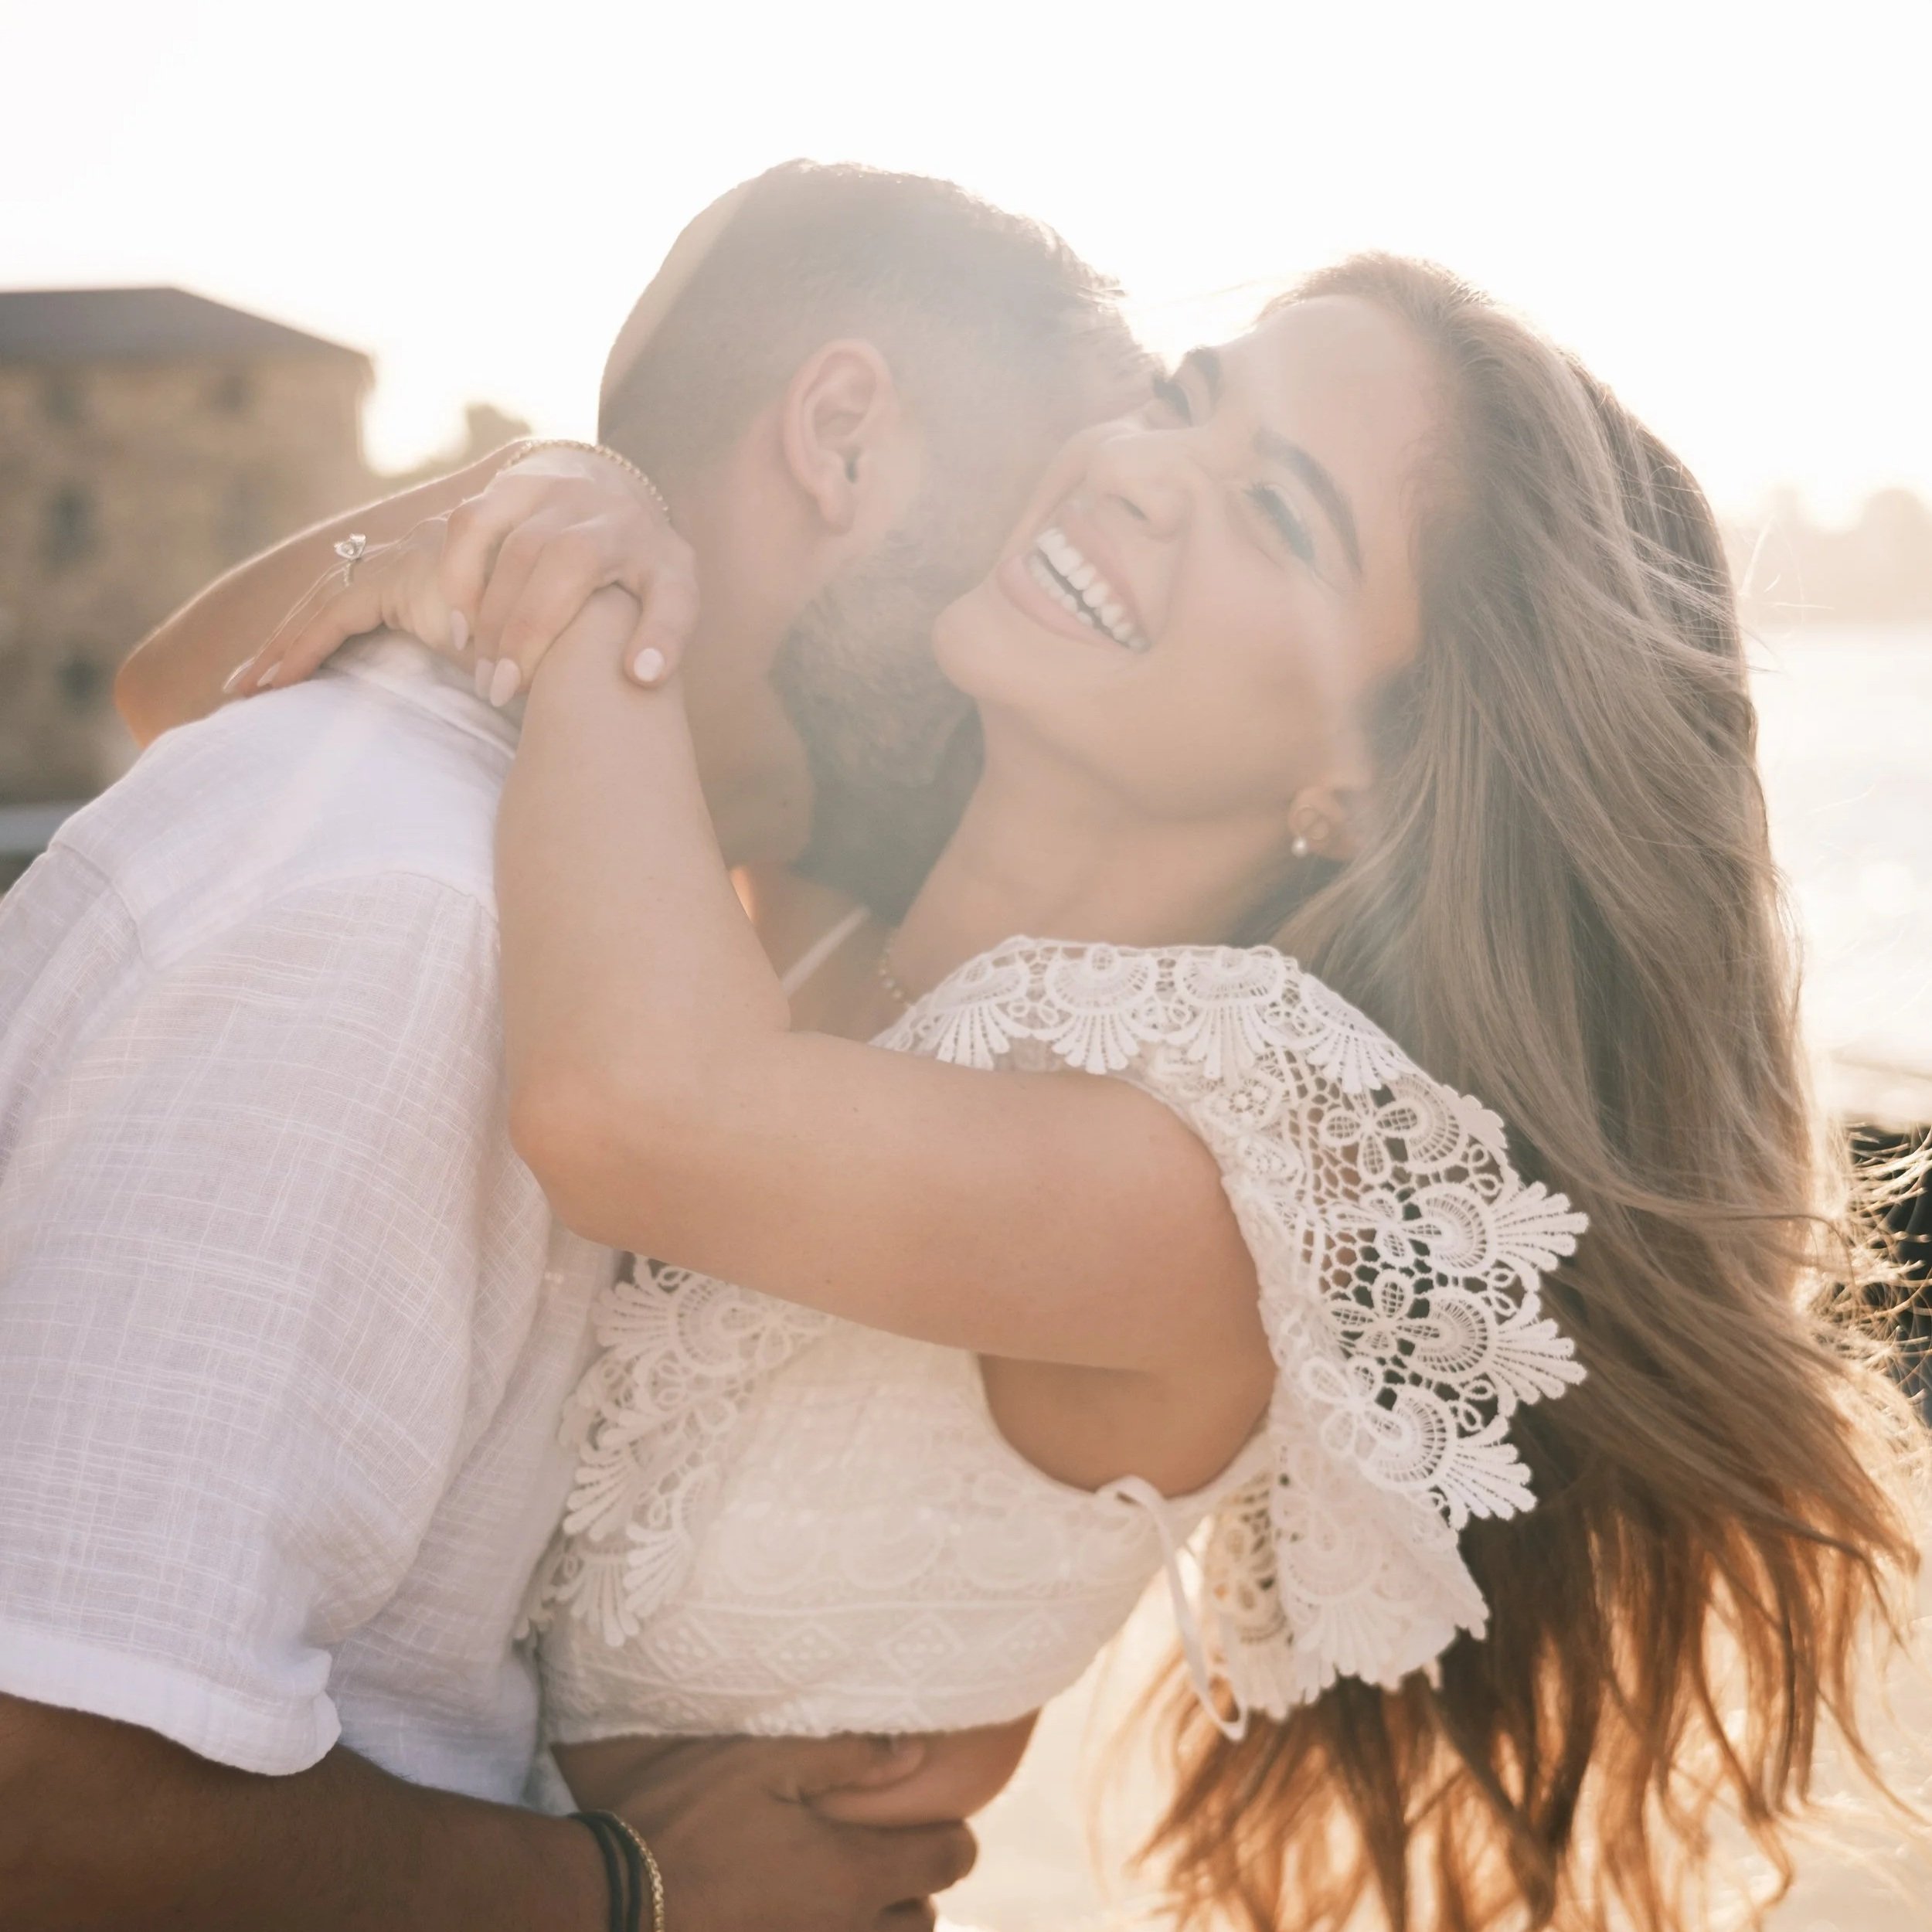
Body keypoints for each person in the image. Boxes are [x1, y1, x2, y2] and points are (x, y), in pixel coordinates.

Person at [208, 255, 1923, 1932]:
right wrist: (518, 500)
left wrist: (582, 592)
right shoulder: (798, 903)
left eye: (1277, 516)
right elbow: (199, 719)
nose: (1147, 474)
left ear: (1364, 768)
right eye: (1185, 404)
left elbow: (623, 1111)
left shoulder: (1218, 1175)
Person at [0, 163, 1143, 1931]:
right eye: (1053, 518)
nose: (1080, 614)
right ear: (841, 436)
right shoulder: (409, 912)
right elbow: (43, 1796)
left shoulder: (585, 910)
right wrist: (637, 1891)